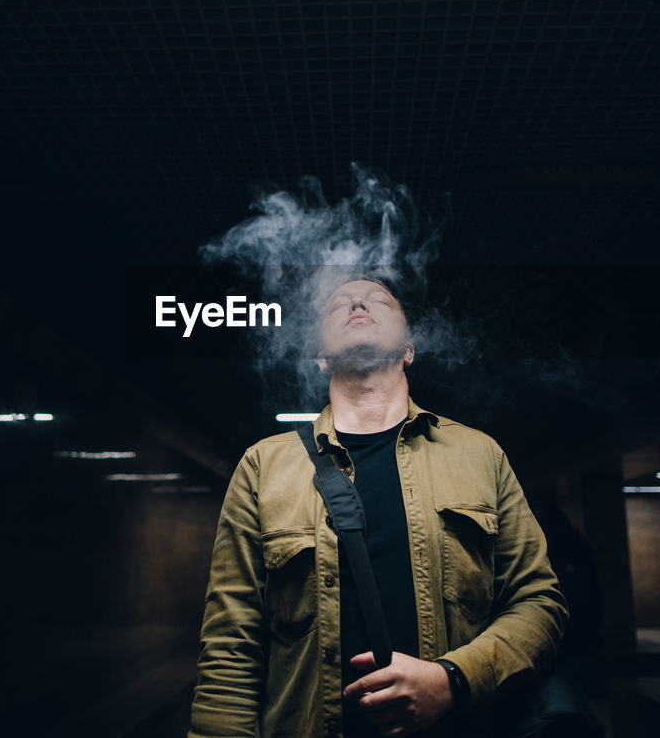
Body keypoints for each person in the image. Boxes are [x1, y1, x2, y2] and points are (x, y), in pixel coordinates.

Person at [190, 276, 569, 738]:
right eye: (338, 305)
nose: (357, 303)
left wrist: (453, 680)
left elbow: (538, 602)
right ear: (322, 356)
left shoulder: (480, 454)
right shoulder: (263, 465)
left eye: (379, 300)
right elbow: (232, 643)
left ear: (408, 350)